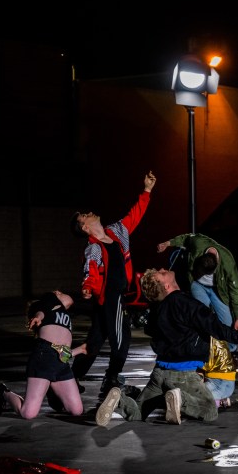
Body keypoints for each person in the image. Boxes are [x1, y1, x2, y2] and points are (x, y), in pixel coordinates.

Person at [94, 268, 238, 426]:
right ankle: (178, 400)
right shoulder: (187, 304)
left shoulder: (157, 310)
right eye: (163, 273)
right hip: (183, 375)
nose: (165, 268)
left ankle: (120, 400)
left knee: (138, 414)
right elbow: (218, 329)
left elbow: (151, 332)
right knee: (210, 410)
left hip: (159, 374)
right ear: (166, 286)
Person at [71, 170, 156, 400]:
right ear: (86, 228)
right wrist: (87, 287)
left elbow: (134, 215)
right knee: (122, 339)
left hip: (117, 295)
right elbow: (90, 271)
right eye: (84, 217)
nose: (89, 213)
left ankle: (70, 377)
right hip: (110, 296)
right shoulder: (93, 247)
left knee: (95, 340)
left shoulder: (116, 231)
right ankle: (111, 379)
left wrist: (146, 191)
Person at [0, 291, 87, 419]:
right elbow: (41, 311)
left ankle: (53, 390)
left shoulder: (64, 314)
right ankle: (2, 391)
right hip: (43, 357)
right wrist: (38, 317)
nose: (61, 293)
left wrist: (80, 350)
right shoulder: (49, 299)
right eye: (60, 292)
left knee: (77, 410)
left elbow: (61, 352)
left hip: (61, 362)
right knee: (28, 413)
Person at [157, 232, 238, 354]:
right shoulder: (198, 243)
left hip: (217, 290)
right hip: (198, 285)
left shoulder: (227, 262)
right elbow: (186, 238)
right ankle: (201, 346)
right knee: (200, 314)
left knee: (227, 321)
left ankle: (231, 349)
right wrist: (168, 243)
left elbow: (236, 290)